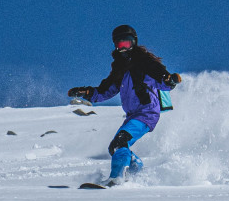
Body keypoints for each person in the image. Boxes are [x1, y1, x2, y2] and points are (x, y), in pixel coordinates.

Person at [68, 25, 181, 186]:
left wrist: (169, 80)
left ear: (134, 43)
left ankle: (117, 178)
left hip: (147, 113)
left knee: (120, 143)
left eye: (126, 44)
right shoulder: (119, 69)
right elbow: (104, 91)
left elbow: (160, 77)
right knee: (115, 148)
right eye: (119, 45)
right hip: (133, 116)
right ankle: (136, 171)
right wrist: (85, 92)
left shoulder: (144, 62)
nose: (123, 48)